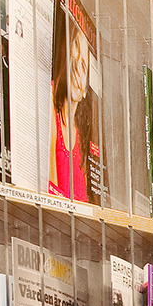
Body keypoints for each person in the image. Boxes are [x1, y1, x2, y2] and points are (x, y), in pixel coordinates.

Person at [49, 12, 95, 202]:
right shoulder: (51, 97)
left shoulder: (82, 136)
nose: (77, 72)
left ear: (86, 91)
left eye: (83, 67)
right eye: (74, 60)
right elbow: (50, 190)